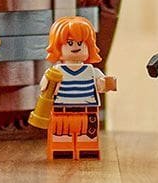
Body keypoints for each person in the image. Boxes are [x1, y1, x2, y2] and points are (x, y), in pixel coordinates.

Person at [39, 15, 116, 160]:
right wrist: (47, 83)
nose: (76, 46)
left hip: (88, 110)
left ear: (89, 46)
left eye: (81, 43)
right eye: (69, 43)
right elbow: (44, 87)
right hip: (61, 111)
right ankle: (62, 151)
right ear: (58, 47)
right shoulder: (56, 71)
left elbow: (102, 85)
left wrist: (105, 84)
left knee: (88, 134)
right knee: (61, 133)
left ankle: (87, 150)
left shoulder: (92, 71)